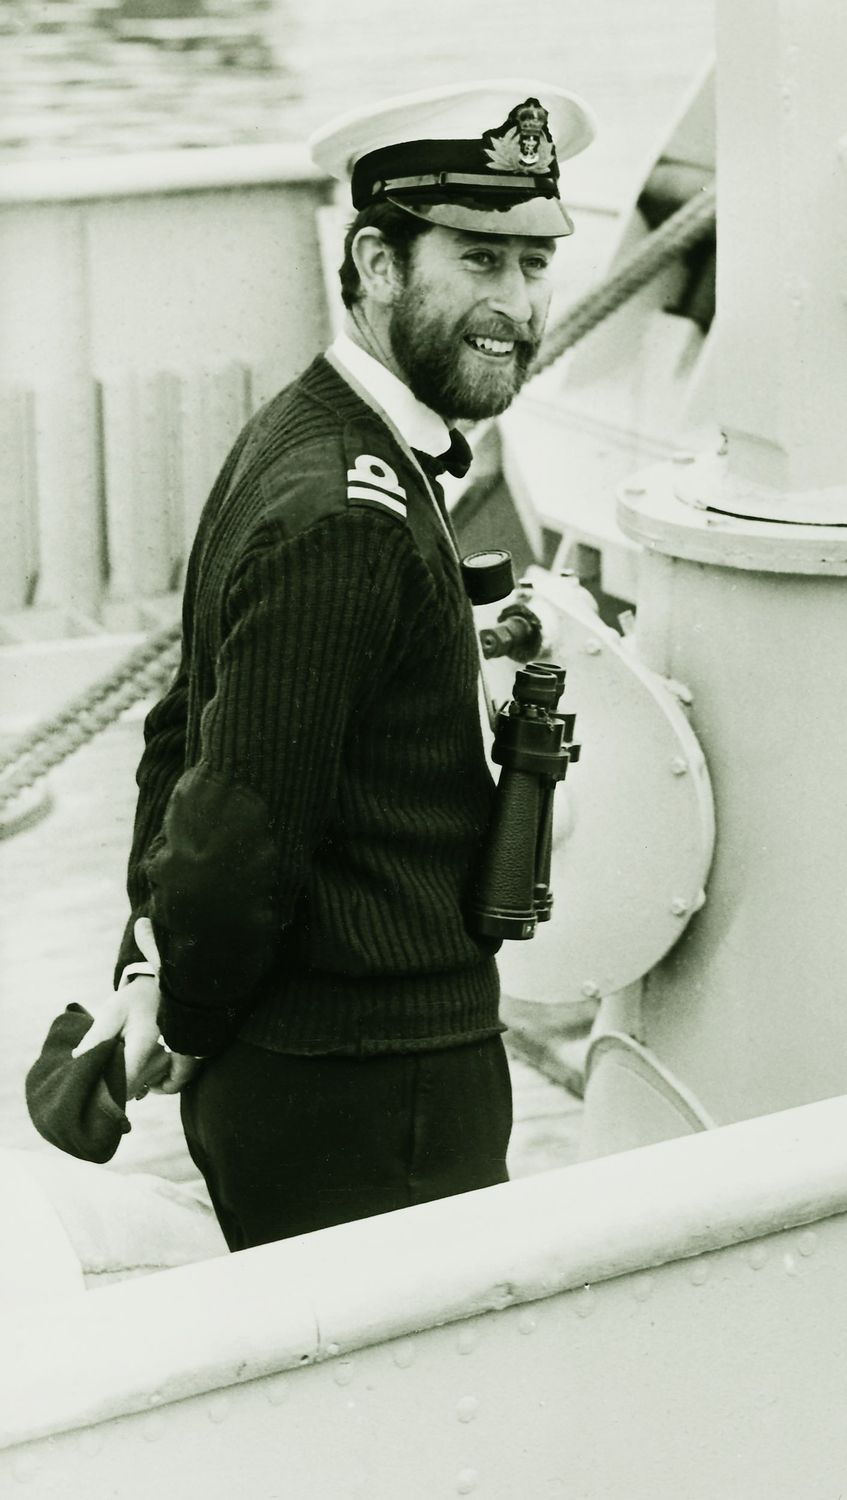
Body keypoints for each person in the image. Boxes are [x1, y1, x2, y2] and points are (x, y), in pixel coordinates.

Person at [77, 79, 595, 1251]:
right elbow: (232, 826)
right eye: (477, 260)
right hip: (375, 1087)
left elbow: (181, 730)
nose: (515, 305)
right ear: (374, 258)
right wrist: (185, 1011)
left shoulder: (306, 434)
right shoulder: (349, 513)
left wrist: (148, 974)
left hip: (325, 1074)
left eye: (531, 265)